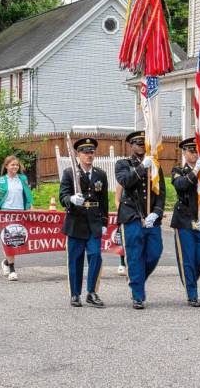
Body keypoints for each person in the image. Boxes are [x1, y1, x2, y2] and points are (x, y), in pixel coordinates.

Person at [115, 130, 165, 310]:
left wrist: (156, 212)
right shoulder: (123, 164)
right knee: (135, 255)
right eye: (137, 143)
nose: (141, 146)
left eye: (144, 143)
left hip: (151, 218)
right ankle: (137, 294)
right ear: (131, 145)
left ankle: (136, 279)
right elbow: (126, 182)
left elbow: (161, 193)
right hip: (132, 215)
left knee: (155, 252)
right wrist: (142, 167)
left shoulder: (155, 165)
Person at [59, 137, 109, 308]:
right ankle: (75, 294)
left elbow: (104, 201)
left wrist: (104, 223)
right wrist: (71, 199)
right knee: (75, 259)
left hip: (94, 222)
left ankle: (92, 292)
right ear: (78, 154)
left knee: (95, 256)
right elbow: (62, 196)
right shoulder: (69, 173)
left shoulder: (100, 174)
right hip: (76, 222)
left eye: (91, 152)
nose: (89, 155)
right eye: (85, 152)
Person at [170, 137, 200, 307]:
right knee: (188, 259)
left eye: (197, 151)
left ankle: (189, 278)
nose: (195, 154)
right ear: (184, 153)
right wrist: (194, 171)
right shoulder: (178, 171)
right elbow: (181, 185)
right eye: (191, 151)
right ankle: (192, 293)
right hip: (184, 221)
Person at [0, 155, 34, 281]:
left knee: (18, 241)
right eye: (12, 165)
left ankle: (6, 263)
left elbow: (28, 196)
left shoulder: (23, 179)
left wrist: (31, 208)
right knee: (10, 241)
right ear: (6, 166)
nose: (15, 167)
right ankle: (12, 270)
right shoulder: (1, 181)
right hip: (5, 214)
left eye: (17, 165)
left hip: (20, 213)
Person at [114, 184, 127, 276]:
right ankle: (122, 263)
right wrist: (122, 211)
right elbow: (117, 200)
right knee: (123, 239)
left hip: (139, 214)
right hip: (125, 214)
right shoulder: (122, 181)